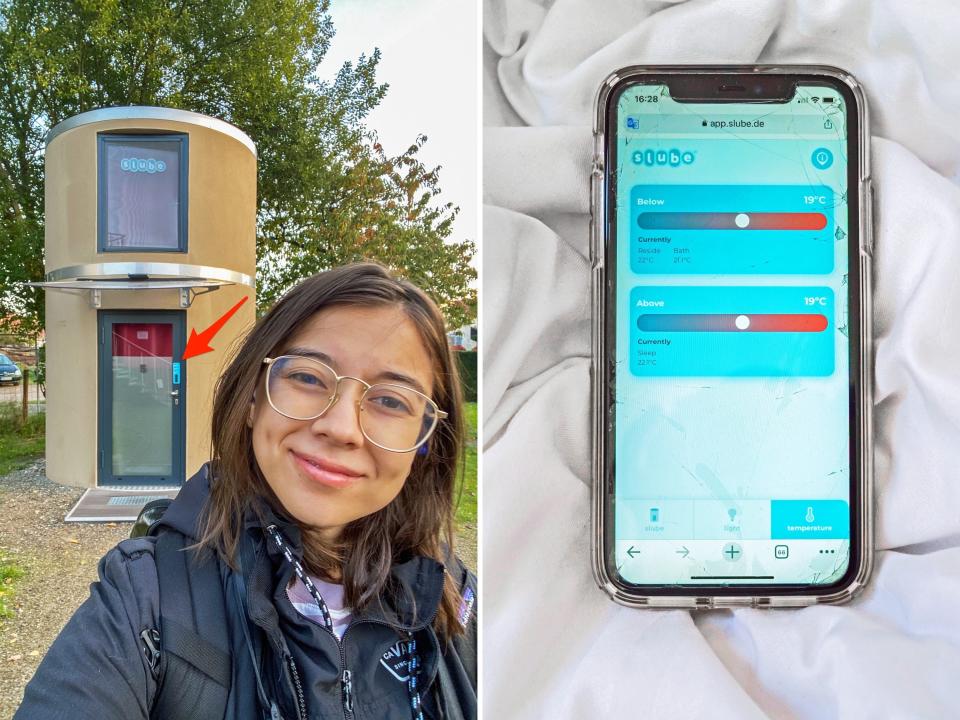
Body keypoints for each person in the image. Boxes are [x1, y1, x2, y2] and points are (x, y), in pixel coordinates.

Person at [15, 263, 477, 720]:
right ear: (253, 397)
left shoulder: (457, 599)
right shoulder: (146, 595)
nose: (340, 428)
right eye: (309, 377)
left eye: (391, 401)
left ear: (426, 440)